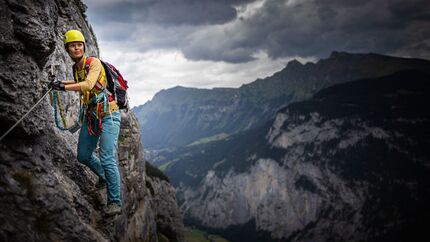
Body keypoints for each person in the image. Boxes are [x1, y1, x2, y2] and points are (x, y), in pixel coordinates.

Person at [49, 29, 122, 216]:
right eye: (72, 46)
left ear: (84, 47)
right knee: (83, 155)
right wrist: (59, 83)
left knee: (106, 157)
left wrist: (63, 87)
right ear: (67, 49)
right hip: (92, 116)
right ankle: (105, 177)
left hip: (109, 114)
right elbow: (78, 81)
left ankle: (115, 202)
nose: (77, 48)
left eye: (79, 45)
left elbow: (88, 85)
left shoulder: (94, 63)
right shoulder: (77, 68)